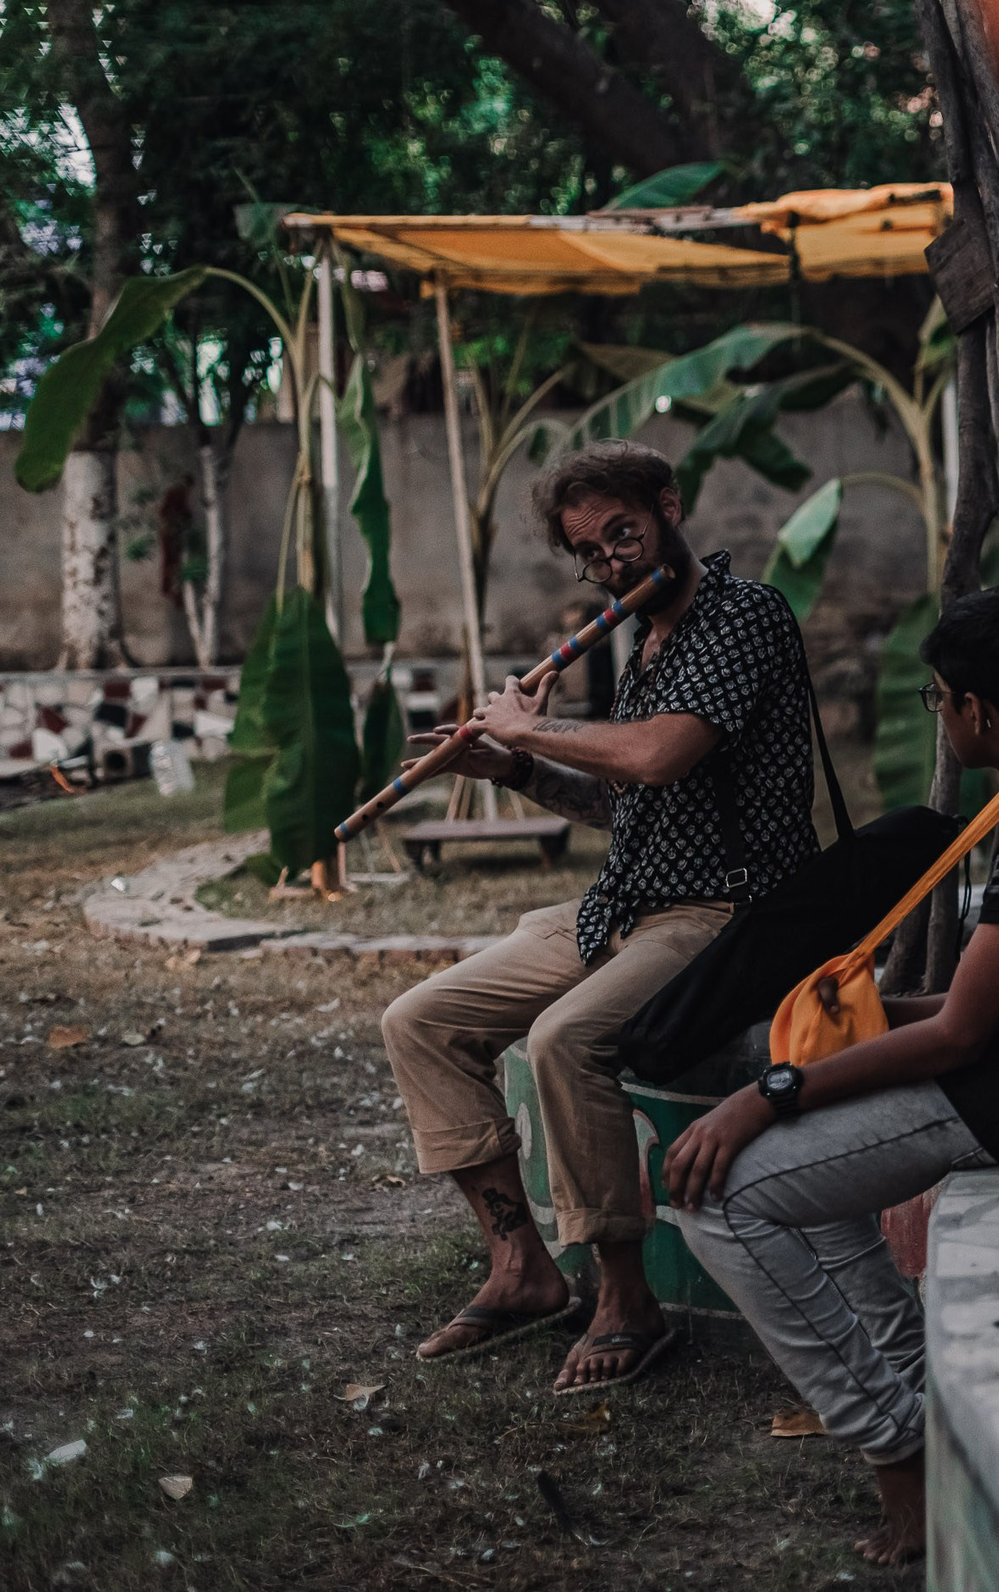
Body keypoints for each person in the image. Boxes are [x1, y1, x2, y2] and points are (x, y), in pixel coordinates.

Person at [662, 586, 999, 1566]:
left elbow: (959, 1033)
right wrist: (849, 1030)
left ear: (975, 711)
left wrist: (765, 1094)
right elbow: (982, 1005)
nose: (938, 716)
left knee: (721, 1195)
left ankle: (893, 1439)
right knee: (793, 1166)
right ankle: (913, 1386)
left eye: (935, 698)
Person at [378, 440, 824, 1393]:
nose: (613, 563)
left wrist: (528, 724)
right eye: (593, 551)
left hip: (727, 909)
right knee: (419, 1020)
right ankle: (522, 1268)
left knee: (567, 1038)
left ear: (668, 506)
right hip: (622, 905)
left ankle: (626, 1299)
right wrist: (518, 769)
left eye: (624, 534)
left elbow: (660, 755)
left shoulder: (743, 617)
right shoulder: (644, 642)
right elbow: (628, 804)